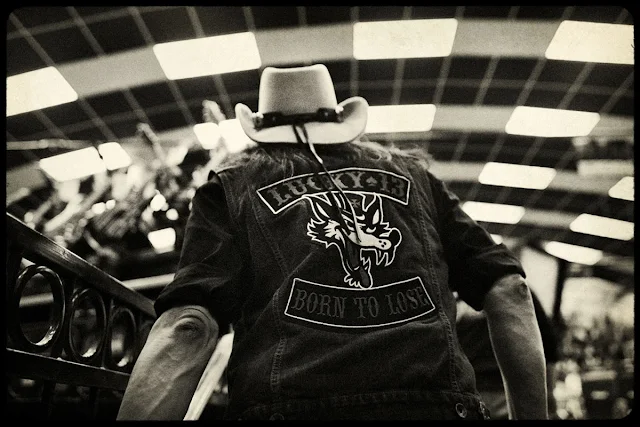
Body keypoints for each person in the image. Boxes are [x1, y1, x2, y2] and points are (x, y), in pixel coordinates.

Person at [117, 64, 548, 420]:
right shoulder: (416, 178)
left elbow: (188, 327)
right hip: (435, 406)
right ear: (339, 122)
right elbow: (511, 290)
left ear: (261, 126)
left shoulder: (232, 187)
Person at [456, 289, 559, 419]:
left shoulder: (452, 301)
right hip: (505, 394)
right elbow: (549, 348)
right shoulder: (514, 290)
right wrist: (549, 394)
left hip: (474, 396)